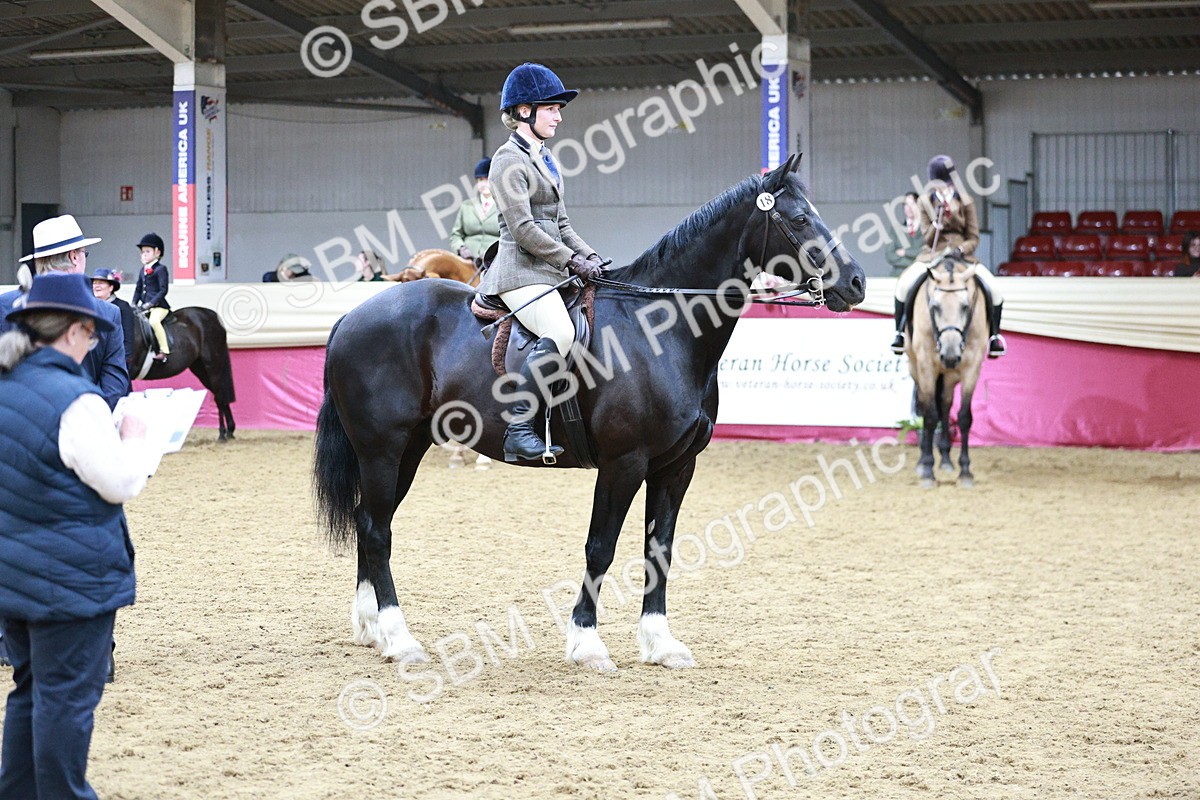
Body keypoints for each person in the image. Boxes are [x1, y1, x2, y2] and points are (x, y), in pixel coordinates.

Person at [0, 272, 151, 800]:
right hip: (70, 580)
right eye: (90, 334)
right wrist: (135, 438)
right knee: (65, 701)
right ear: (71, 331)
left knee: (29, 691)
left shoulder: (6, 386)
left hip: (13, 573)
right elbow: (120, 482)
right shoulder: (76, 399)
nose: (92, 344)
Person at [477, 62, 607, 462]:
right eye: (551, 108)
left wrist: (590, 257)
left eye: (558, 109)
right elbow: (523, 229)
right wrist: (572, 261)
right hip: (519, 271)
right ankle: (518, 428)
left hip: (548, 269)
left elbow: (561, 224)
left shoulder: (546, 158)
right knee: (560, 331)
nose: (558, 116)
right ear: (524, 111)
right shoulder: (506, 160)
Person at [0, 215, 129, 408]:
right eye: (84, 254)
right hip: (88, 416)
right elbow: (114, 384)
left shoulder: (5, 305)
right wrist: (91, 417)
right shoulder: (108, 312)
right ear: (74, 256)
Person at [890, 155, 1007, 358]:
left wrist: (961, 249)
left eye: (944, 184)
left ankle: (994, 336)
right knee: (903, 285)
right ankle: (899, 333)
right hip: (933, 254)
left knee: (995, 289)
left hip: (962, 256)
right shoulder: (925, 202)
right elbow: (927, 238)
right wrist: (936, 225)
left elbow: (973, 237)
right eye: (938, 184)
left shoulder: (966, 201)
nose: (941, 188)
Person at [449, 158, 501, 262]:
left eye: (487, 179)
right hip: (467, 261)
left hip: (494, 261)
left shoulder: (503, 206)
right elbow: (455, 235)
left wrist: (493, 252)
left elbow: (509, 237)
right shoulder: (466, 206)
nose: (483, 184)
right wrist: (460, 248)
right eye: (480, 180)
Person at [132, 233, 170, 362]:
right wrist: (133, 303)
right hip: (143, 307)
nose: (144, 255)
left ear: (157, 252)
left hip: (159, 307)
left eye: (147, 251)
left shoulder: (161, 269)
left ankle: (164, 351)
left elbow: (163, 290)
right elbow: (138, 289)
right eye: (142, 252)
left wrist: (151, 303)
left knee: (154, 321)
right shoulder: (142, 270)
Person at [90, 269, 136, 369]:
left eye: (101, 283)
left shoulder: (122, 307)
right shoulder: (89, 306)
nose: (96, 286)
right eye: (94, 283)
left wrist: (124, 360)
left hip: (115, 361)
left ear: (111, 287)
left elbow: (128, 336)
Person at [885, 192, 925, 277]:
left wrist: (905, 252)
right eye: (906, 204)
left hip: (921, 275)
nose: (909, 208)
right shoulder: (895, 230)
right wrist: (914, 260)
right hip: (899, 275)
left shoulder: (927, 230)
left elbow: (926, 253)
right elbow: (890, 255)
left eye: (913, 204)